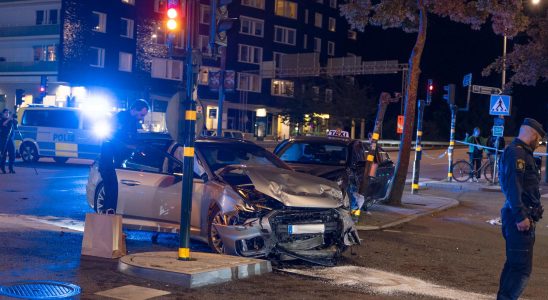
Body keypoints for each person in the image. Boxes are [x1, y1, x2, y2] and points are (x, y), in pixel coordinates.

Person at [497, 118, 545, 300]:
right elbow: (512, 186)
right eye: (538, 140)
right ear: (532, 135)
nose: (538, 143)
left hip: (521, 216)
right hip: (519, 219)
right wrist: (520, 216)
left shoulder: (521, 153)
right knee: (521, 269)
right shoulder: (517, 153)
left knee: (514, 265)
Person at [99, 99, 149, 213]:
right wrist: (131, 147)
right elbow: (111, 139)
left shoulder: (132, 122)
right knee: (112, 190)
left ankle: (108, 217)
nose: (142, 118)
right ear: (134, 110)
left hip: (116, 163)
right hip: (109, 163)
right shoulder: (120, 119)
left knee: (114, 191)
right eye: (141, 114)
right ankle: (106, 217)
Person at [0, 109, 17, 174]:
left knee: (12, 153)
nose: (7, 114)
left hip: (10, 139)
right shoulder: (1, 120)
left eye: (8, 113)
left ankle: (11, 168)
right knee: (3, 154)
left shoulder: (11, 121)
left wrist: (14, 120)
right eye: (6, 113)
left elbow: (15, 125)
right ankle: (2, 167)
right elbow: (3, 124)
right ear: (3, 114)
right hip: (3, 139)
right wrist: (9, 119)